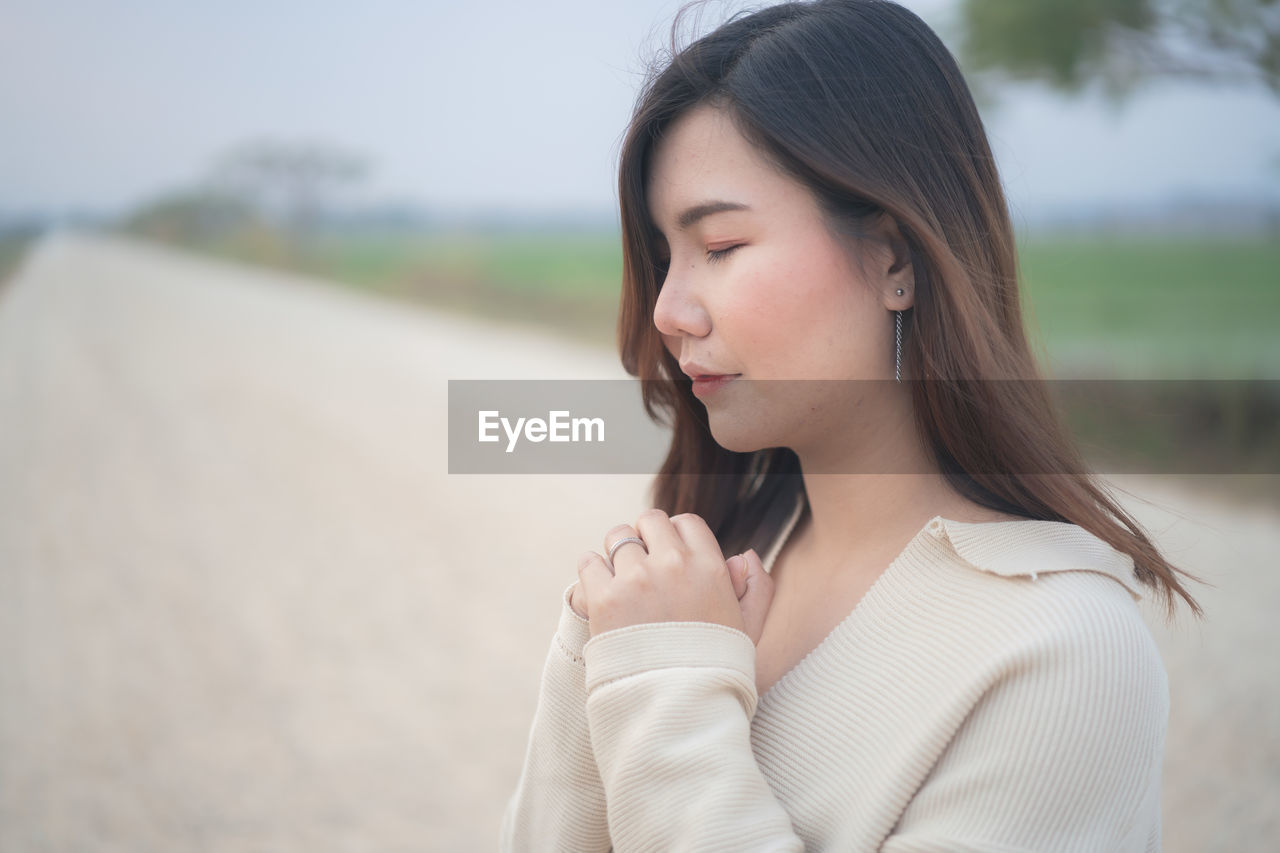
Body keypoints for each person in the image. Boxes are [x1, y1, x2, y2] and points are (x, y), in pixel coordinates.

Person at [500, 1, 1203, 849]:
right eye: (662, 258)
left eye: (719, 246)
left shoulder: (1062, 654)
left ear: (895, 260)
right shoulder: (710, 570)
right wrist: (606, 643)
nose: (668, 310)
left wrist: (663, 685)